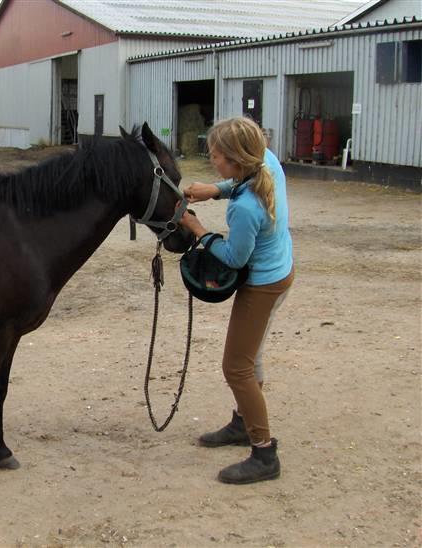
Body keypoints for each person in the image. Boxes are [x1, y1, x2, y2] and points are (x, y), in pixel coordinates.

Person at [178, 116, 294, 484]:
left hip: (262, 284)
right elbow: (241, 183)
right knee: (251, 356)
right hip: (280, 270)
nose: (212, 160)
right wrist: (217, 189)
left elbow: (233, 258)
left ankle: (263, 453)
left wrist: (197, 229)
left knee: (237, 367)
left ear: (236, 159)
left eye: (216, 156)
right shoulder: (267, 161)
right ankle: (245, 423)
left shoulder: (246, 209)